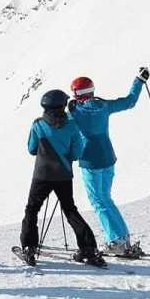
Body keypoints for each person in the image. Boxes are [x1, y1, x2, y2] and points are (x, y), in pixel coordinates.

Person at [68, 68, 149, 257]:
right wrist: (139, 80)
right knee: (106, 199)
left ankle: (116, 241)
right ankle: (123, 238)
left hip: (90, 161)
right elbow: (129, 101)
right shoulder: (103, 106)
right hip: (108, 158)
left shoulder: (75, 112)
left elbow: (63, 123)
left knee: (98, 201)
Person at [18, 90, 104, 266]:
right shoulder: (72, 127)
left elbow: (31, 149)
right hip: (63, 175)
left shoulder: (38, 125)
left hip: (41, 175)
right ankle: (88, 249)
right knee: (70, 210)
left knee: (32, 209)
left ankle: (29, 247)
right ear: (62, 106)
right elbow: (77, 153)